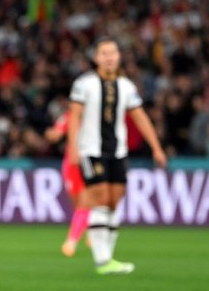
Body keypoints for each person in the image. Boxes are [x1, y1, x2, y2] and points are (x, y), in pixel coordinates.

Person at [67, 37, 167, 275]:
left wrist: (156, 147)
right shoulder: (84, 84)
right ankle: (102, 261)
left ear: (119, 56)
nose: (109, 57)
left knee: (114, 201)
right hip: (91, 150)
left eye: (113, 52)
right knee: (99, 197)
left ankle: (108, 257)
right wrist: (73, 146)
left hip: (118, 152)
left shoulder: (127, 86)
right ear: (96, 58)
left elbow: (140, 117)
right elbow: (74, 116)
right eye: (104, 53)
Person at [45, 108, 90, 257]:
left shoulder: (96, 117)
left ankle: (71, 241)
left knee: (85, 200)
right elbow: (56, 134)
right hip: (72, 164)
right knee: (77, 203)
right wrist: (50, 134)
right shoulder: (69, 117)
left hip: (91, 161)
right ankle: (90, 229)